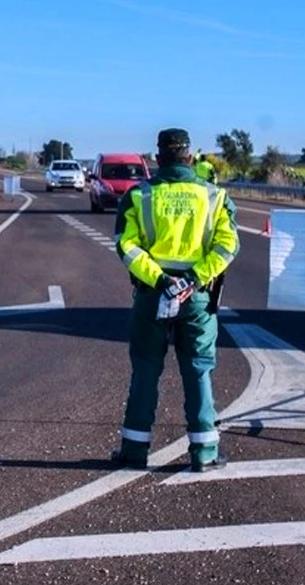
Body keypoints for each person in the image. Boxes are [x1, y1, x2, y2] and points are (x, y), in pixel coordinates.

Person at [110, 128, 239, 472]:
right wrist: (193, 279)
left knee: (145, 370)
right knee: (198, 370)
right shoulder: (214, 196)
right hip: (196, 297)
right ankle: (204, 454)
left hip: (153, 295)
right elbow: (228, 246)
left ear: (158, 158)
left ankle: (134, 452)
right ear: (191, 157)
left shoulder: (140, 196)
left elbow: (126, 245)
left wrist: (162, 279)